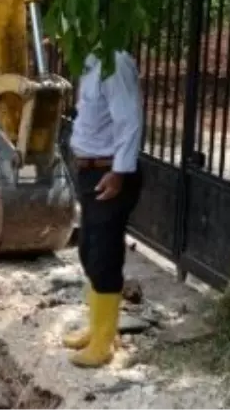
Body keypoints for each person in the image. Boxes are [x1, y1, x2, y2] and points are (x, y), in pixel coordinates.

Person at [61, 49, 143, 368]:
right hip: (91, 171)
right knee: (88, 250)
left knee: (104, 254)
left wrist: (120, 173)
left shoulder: (115, 62)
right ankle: (97, 328)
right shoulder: (89, 64)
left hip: (110, 173)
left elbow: (130, 120)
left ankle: (104, 344)